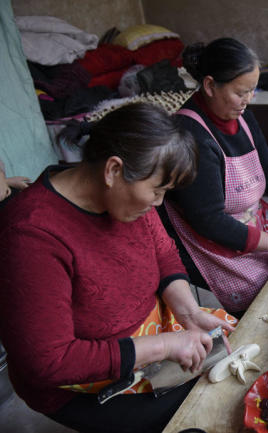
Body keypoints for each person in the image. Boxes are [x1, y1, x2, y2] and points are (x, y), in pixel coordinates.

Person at [0, 103, 235, 433]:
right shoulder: (31, 235)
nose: (158, 203)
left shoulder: (125, 197)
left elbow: (164, 254)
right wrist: (165, 346)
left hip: (150, 332)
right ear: (112, 170)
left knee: (236, 360)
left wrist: (189, 314)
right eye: (157, 190)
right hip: (79, 381)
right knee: (205, 414)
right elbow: (48, 362)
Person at [162, 38, 268, 315]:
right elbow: (209, 221)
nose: (248, 100)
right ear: (210, 85)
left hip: (248, 217)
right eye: (241, 92)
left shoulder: (241, 114)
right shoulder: (190, 135)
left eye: (252, 90)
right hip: (213, 238)